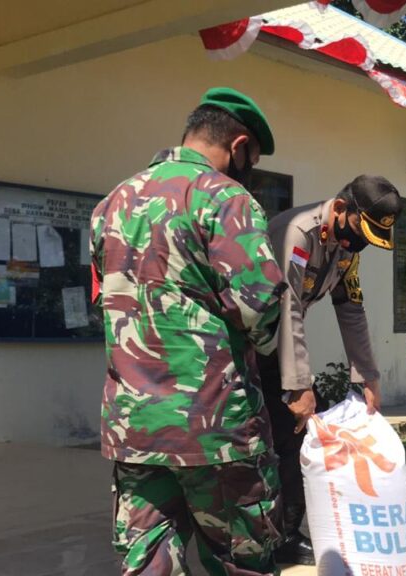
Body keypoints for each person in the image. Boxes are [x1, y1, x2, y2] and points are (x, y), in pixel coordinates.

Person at [90, 87, 286, 576]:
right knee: (240, 559)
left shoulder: (113, 202)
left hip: (135, 425)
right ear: (239, 146)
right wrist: (261, 343)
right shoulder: (226, 198)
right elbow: (260, 305)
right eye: (252, 160)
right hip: (215, 427)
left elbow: (105, 302)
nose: (249, 170)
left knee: (148, 561)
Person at [262, 174, 402, 565]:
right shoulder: (299, 234)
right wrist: (299, 385)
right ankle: (258, 538)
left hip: (277, 347)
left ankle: (284, 534)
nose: (361, 244)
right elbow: (288, 306)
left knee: (300, 435)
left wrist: (368, 377)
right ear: (340, 209)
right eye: (361, 231)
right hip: (248, 349)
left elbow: (351, 308)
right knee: (275, 437)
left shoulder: (346, 249)